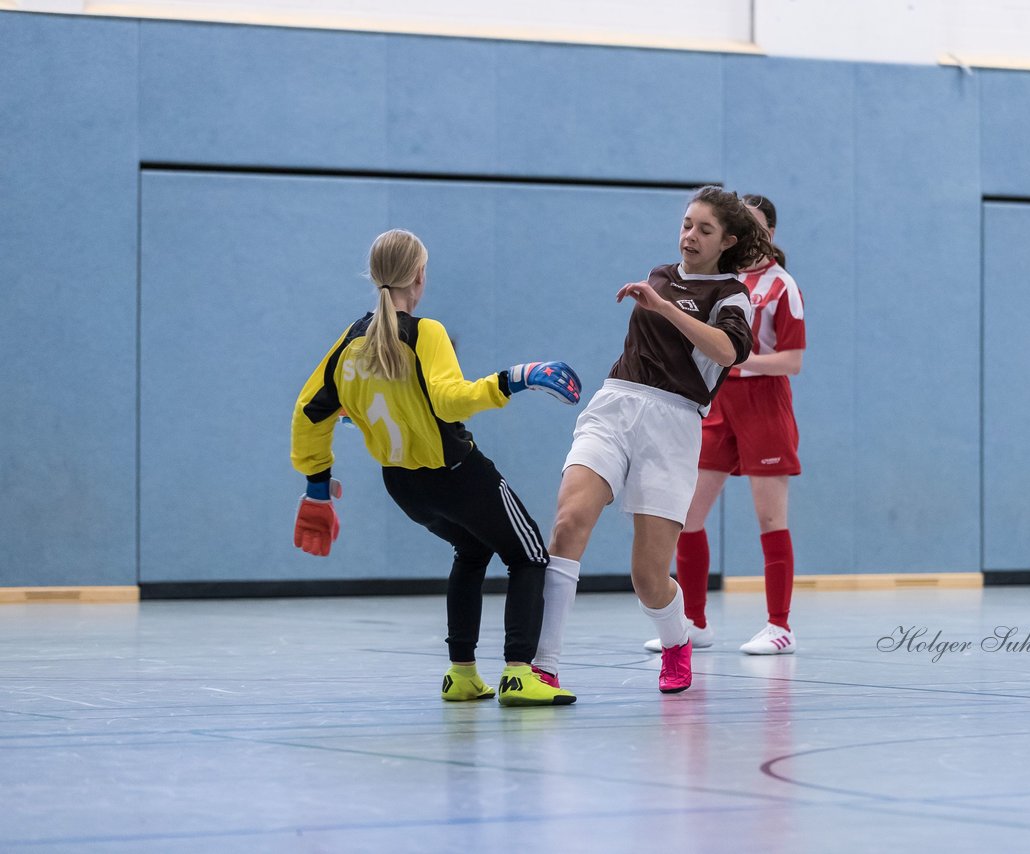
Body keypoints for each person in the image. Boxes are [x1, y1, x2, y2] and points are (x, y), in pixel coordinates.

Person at [290, 228, 581, 707]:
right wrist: (515, 379)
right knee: (529, 555)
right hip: (457, 473)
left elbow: (309, 413)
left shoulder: (350, 342)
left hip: (403, 486)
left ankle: (461, 674)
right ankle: (518, 673)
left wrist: (317, 486)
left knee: (471, 552)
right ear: (420, 276)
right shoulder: (425, 332)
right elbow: (450, 402)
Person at [529, 187, 774, 694]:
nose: (690, 236)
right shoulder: (661, 274)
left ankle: (675, 642)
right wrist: (659, 301)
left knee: (648, 575)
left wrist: (665, 309)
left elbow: (730, 353)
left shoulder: (732, 295)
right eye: (687, 224)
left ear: (726, 240)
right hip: (615, 405)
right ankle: (544, 665)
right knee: (568, 523)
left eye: (704, 230)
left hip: (674, 424)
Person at [643, 194, 805, 656]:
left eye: (749, 225)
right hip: (718, 404)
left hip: (764, 405)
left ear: (767, 235)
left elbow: (792, 360)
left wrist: (741, 358)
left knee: (770, 517)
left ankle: (780, 626)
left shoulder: (782, 287)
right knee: (688, 514)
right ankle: (694, 621)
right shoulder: (724, 283)